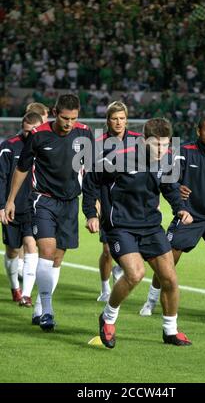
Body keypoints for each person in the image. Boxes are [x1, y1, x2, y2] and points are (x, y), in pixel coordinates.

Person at [83, 117, 193, 348]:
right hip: (120, 226)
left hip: (151, 226)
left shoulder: (167, 160)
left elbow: (170, 188)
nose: (161, 150)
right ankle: (108, 318)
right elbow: (91, 180)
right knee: (135, 274)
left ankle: (170, 331)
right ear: (144, 141)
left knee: (170, 279)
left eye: (165, 145)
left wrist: (180, 209)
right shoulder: (118, 158)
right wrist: (91, 213)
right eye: (157, 145)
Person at [139, 115, 205, 319]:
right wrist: (178, 186)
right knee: (167, 260)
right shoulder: (184, 152)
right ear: (198, 131)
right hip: (188, 215)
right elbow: (169, 179)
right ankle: (151, 300)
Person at [4, 94, 94, 331]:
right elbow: (22, 168)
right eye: (65, 118)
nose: (69, 124)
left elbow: (92, 171)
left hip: (70, 203)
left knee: (57, 258)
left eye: (74, 118)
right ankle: (48, 310)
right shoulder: (38, 135)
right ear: (55, 113)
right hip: (43, 201)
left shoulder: (84, 134)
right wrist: (10, 200)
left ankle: (39, 309)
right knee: (46, 251)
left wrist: (95, 206)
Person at [96, 101, 141, 302]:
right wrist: (95, 203)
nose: (119, 122)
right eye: (114, 118)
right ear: (108, 120)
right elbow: (92, 176)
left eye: (122, 118)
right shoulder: (98, 144)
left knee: (131, 248)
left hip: (133, 204)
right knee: (106, 249)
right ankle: (105, 288)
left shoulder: (138, 141)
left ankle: (120, 267)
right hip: (108, 204)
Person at [0, 112, 43, 305]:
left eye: (32, 132)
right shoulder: (8, 147)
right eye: (26, 132)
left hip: (34, 207)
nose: (29, 135)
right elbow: (1, 179)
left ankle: (26, 295)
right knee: (12, 251)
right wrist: (2, 205)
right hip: (12, 208)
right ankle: (14, 287)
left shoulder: (45, 146)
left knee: (31, 246)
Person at [17, 103, 49, 281]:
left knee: (32, 239)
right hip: (27, 198)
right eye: (45, 116)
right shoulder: (21, 144)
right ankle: (23, 267)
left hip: (40, 198)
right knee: (26, 240)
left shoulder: (48, 139)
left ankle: (27, 271)